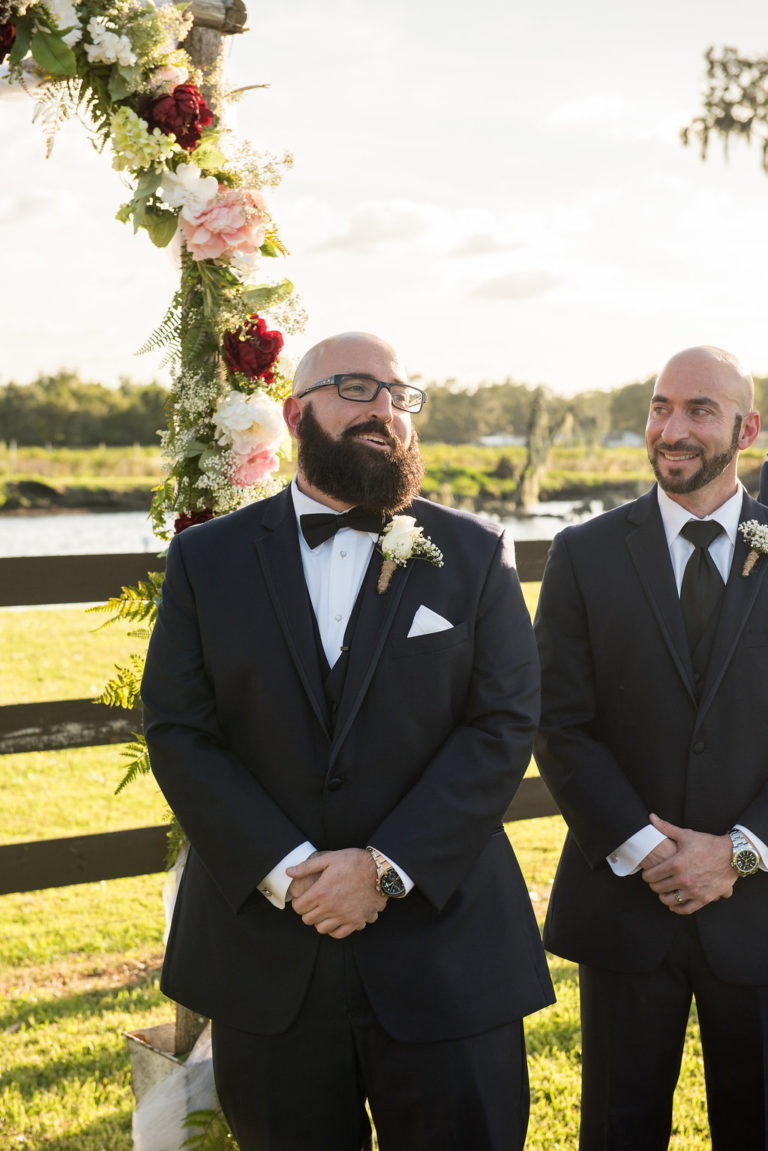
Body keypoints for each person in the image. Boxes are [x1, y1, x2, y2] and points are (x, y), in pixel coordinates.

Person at [141, 331, 554, 1151]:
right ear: (296, 413)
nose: (386, 411)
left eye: (401, 395)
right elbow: (180, 728)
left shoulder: (473, 553)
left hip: (445, 953)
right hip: (269, 964)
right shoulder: (205, 559)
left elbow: (502, 721)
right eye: (358, 388)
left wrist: (383, 868)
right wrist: (285, 871)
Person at [534, 344, 768, 1150]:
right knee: (619, 1128)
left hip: (760, 907)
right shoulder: (584, 553)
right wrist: (647, 850)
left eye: (699, 410)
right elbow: (558, 721)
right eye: (660, 406)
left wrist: (738, 849)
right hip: (627, 905)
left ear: (748, 427)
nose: (671, 428)